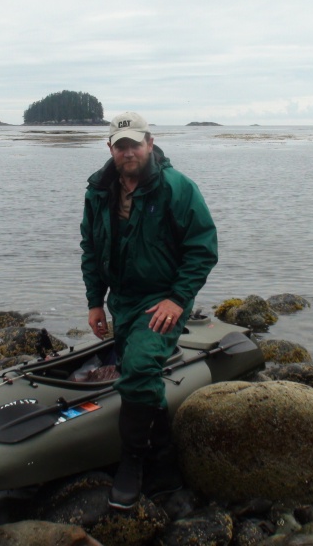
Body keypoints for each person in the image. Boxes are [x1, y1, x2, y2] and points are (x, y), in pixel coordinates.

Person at [80, 111, 218, 509]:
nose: (128, 153)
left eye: (135, 145)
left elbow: (202, 248)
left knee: (139, 367)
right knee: (139, 372)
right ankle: (165, 459)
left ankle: (132, 464)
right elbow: (91, 249)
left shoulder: (177, 188)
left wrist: (177, 299)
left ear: (150, 144)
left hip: (162, 298)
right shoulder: (98, 191)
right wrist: (95, 301)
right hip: (121, 300)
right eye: (120, 146)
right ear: (110, 148)